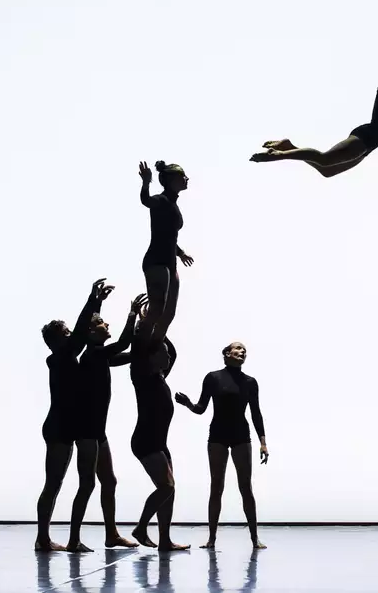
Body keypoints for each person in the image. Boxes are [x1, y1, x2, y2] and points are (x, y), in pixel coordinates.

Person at [249, 15, 378, 177]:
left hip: (369, 146)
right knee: (324, 159)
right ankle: (278, 155)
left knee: (326, 171)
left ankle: (287, 145)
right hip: (365, 137)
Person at [34, 278, 111, 552]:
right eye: (65, 333)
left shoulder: (69, 356)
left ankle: (68, 538)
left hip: (71, 426)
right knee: (53, 483)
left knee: (77, 482)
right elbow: (79, 334)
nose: (70, 335)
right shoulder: (58, 358)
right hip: (58, 427)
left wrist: (97, 303)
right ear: (56, 340)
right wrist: (94, 300)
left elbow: (80, 336)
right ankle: (43, 538)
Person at [175, 342, 268, 549]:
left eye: (245, 351)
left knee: (246, 487)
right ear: (227, 353)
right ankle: (211, 539)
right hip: (217, 435)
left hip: (241, 435)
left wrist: (263, 442)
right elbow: (201, 408)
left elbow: (256, 413)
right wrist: (188, 403)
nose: (242, 352)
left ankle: (254, 538)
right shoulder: (213, 377)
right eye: (238, 349)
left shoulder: (250, 382)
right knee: (216, 486)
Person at [78, 292, 147, 548]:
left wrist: (144, 339)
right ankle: (75, 538)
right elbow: (122, 345)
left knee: (108, 481)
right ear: (90, 331)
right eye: (102, 324)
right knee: (87, 485)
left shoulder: (99, 357)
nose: (107, 325)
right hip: (88, 431)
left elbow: (127, 354)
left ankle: (111, 534)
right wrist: (132, 315)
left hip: (98, 432)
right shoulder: (92, 355)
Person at [128, 319, 189, 551]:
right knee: (167, 487)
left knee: (169, 491)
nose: (169, 358)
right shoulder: (141, 376)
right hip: (146, 440)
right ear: (151, 357)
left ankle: (165, 540)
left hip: (159, 442)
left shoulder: (160, 376)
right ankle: (141, 527)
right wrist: (146, 327)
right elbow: (140, 350)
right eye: (163, 354)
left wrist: (161, 334)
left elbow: (172, 351)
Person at [138, 160, 194, 345]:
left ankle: (153, 349)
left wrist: (181, 252)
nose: (186, 179)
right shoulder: (160, 200)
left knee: (168, 314)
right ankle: (140, 343)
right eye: (182, 176)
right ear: (170, 180)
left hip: (171, 263)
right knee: (157, 309)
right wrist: (146, 183)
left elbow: (170, 235)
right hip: (156, 261)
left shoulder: (174, 205)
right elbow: (146, 201)